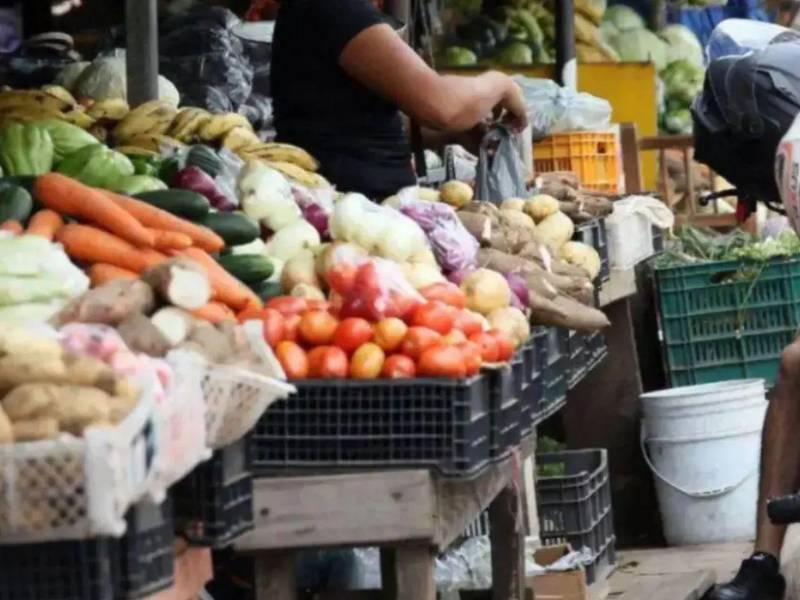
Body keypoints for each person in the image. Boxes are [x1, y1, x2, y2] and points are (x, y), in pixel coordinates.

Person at [268, 0, 528, 198]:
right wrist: (501, 84)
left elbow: (360, 120)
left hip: (369, 208)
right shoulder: (336, 8)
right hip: (352, 212)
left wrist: (455, 133)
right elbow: (441, 105)